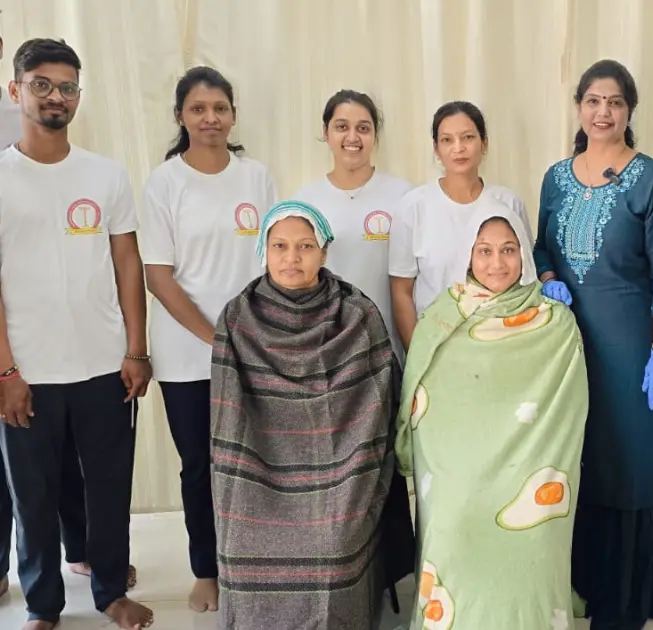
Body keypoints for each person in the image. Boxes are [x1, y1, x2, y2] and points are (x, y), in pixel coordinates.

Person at [0, 38, 153, 630]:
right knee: (32, 498)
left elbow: (126, 265)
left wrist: (136, 350)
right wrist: (7, 372)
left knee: (109, 487)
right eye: (41, 83)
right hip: (28, 373)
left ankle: (111, 589)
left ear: (78, 98)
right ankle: (42, 605)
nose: (54, 96)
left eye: (66, 86)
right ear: (17, 91)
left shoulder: (106, 174)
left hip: (101, 365)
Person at [210, 200, 410, 630]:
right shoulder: (237, 316)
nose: (292, 257)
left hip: (343, 464)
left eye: (304, 246)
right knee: (246, 541)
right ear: (264, 249)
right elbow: (227, 417)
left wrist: (350, 465)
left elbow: (377, 405)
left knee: (334, 545)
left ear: (324, 251)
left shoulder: (357, 313)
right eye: (280, 245)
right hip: (256, 464)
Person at [533, 59, 653, 630]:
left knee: (631, 462)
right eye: (593, 101)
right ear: (578, 107)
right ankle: (586, 586)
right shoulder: (555, 177)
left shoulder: (649, 177)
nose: (603, 112)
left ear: (629, 110)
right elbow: (541, 248)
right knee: (582, 458)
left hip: (634, 347)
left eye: (615, 102)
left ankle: (627, 603)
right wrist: (549, 282)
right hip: (569, 347)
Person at [398, 201, 588, 629]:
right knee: (452, 517)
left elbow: (568, 408)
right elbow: (422, 397)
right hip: (456, 465)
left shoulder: (555, 321)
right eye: (484, 250)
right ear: (467, 254)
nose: (496, 262)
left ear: (523, 253)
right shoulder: (443, 316)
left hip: (532, 465)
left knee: (536, 537)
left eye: (507, 249)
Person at [139, 65, 276, 614]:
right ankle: (207, 568)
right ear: (181, 117)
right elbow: (158, 274)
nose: (210, 117)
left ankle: (254, 562)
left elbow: (274, 258)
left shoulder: (257, 177)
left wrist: (252, 333)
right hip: (185, 355)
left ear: (233, 115)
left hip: (255, 346)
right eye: (198, 109)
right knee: (200, 463)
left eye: (219, 108)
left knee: (255, 461)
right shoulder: (164, 182)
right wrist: (214, 335)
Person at [388, 100, 532, 351]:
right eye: (447, 140)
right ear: (436, 148)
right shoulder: (414, 206)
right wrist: (418, 355)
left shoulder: (508, 203)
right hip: (436, 345)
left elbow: (527, 278)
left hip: (502, 345)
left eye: (468, 137)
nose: (458, 148)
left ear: (484, 143)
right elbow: (401, 291)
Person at [294, 90, 413, 350]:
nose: (352, 137)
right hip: (327, 350)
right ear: (326, 132)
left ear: (375, 136)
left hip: (387, 350)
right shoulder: (305, 201)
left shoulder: (404, 196)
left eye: (363, 128)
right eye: (341, 127)